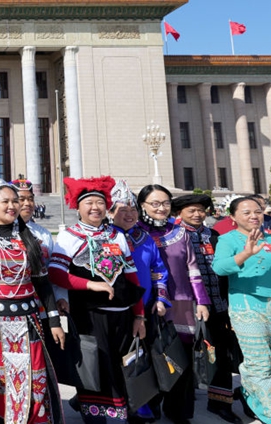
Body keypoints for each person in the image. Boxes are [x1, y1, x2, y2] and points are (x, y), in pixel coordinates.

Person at [0, 178, 65, 423]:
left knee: (34, 379)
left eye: (15, 201)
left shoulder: (30, 241)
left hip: (27, 322)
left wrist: (54, 320)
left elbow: (42, 284)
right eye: (5, 201)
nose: (12, 206)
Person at [49, 176, 146, 423]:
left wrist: (139, 315)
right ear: (77, 207)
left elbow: (131, 277)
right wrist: (90, 284)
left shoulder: (116, 235)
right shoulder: (70, 236)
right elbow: (55, 273)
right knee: (94, 367)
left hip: (122, 315)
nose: (95, 207)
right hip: (90, 316)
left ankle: (125, 410)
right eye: (89, 203)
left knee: (122, 366)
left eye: (100, 203)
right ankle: (93, 414)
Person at [136, 184, 211, 423]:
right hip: (147, 303)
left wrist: (201, 301)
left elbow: (192, 269)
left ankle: (178, 410)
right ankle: (148, 407)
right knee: (150, 356)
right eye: (155, 203)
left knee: (180, 357)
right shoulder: (134, 232)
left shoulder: (180, 232)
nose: (161, 208)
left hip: (181, 302)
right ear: (143, 205)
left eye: (166, 203)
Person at [170, 194, 244, 423]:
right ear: (179, 213)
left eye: (201, 210)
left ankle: (220, 403)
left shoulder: (213, 235)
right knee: (183, 356)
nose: (197, 214)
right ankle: (180, 404)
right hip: (185, 306)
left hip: (217, 304)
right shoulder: (172, 236)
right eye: (191, 210)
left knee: (220, 355)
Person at [213, 196, 271, 423]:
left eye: (257, 211)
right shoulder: (228, 239)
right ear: (233, 217)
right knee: (259, 360)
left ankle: (251, 394)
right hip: (247, 305)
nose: (254, 216)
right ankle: (270, 412)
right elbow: (219, 268)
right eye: (246, 212)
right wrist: (246, 253)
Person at [107, 180, 171, 422]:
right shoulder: (103, 238)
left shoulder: (144, 238)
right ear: (110, 212)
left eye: (133, 209)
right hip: (114, 310)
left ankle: (142, 404)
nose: (130, 214)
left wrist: (161, 299)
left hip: (144, 308)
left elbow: (158, 270)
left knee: (142, 358)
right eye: (122, 210)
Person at [11, 178, 66, 310]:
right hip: (10, 303)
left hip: (41, 303)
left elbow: (52, 270)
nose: (27, 203)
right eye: (21, 199)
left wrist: (60, 297)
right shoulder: (0, 233)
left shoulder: (43, 234)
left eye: (30, 199)